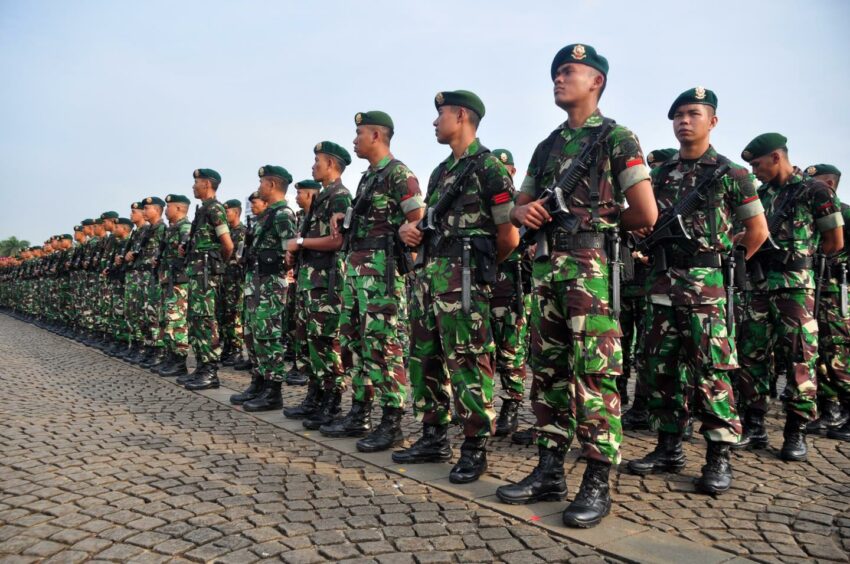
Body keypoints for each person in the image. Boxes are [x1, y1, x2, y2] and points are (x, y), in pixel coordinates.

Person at [495, 44, 657, 528]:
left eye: (569, 72)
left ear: (597, 82)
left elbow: (646, 212)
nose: (558, 79)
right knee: (545, 371)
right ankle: (548, 469)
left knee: (594, 373)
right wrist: (523, 213)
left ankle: (596, 479)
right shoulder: (546, 146)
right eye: (556, 73)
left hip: (589, 270)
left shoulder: (617, 138)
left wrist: (600, 225)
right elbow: (515, 208)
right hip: (547, 269)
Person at [626, 88, 768, 495]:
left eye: (693, 113)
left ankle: (718, 456)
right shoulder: (662, 173)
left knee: (712, 371)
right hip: (661, 283)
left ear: (712, 121)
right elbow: (644, 218)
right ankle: (667, 447)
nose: (684, 121)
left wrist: (725, 261)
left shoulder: (731, 174)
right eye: (678, 115)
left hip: (706, 288)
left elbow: (757, 230)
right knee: (660, 369)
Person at [393, 90, 518, 484]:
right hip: (431, 278)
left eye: (440, 114)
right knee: (425, 357)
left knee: (466, 360)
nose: (434, 122)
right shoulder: (440, 172)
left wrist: (479, 272)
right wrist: (407, 232)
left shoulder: (490, 168)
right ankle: (432, 434)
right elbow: (427, 222)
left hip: (463, 282)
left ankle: (474, 445)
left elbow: (509, 236)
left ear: (461, 116)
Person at [735, 134, 844, 461]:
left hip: (795, 287)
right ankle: (754, 425)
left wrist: (801, 262)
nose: (754, 171)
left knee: (800, 356)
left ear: (776, 157)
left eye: (757, 164)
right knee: (752, 354)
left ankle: (795, 430)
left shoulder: (815, 190)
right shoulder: (762, 194)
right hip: (760, 285)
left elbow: (834, 241)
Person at [320, 111, 424, 453]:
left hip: (382, 270)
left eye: (359, 133)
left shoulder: (399, 175)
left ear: (377, 136)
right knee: (355, 342)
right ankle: (360, 411)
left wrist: (402, 237)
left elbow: (418, 222)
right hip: (356, 268)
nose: (354, 140)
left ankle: (392, 420)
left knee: (384, 344)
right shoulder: (368, 178)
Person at [283, 144, 352, 426]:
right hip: (311, 282)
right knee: (309, 341)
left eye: (318, 161)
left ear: (332, 164)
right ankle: (315, 395)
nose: (313, 166)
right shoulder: (324, 196)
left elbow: (338, 241)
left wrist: (300, 243)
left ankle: (331, 400)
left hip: (327, 282)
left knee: (326, 341)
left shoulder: (340, 197)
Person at [239, 166, 298, 412]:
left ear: (272, 185)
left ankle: (273, 391)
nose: (258, 187)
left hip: (271, 282)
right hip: (256, 280)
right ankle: (259, 381)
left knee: (268, 334)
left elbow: (291, 248)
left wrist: (285, 269)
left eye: (262, 183)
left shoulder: (283, 214)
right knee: (252, 333)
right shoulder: (265, 215)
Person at [179, 168, 234, 390]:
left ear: (208, 184)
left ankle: (210, 371)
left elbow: (227, 245)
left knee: (206, 320)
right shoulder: (202, 210)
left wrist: (216, 266)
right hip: (196, 274)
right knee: (196, 320)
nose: (193, 186)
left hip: (206, 275)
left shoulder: (215, 209)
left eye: (197, 182)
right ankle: (201, 367)